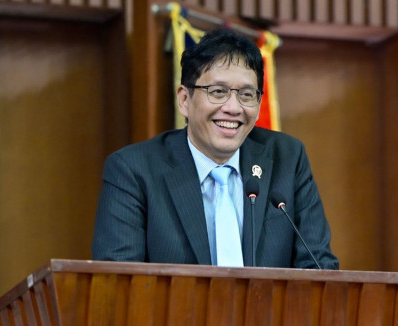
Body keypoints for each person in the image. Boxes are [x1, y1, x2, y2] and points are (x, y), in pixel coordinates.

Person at [91, 28, 339, 269]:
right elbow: (119, 284)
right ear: (185, 100)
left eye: (246, 94)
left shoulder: (287, 158)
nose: (233, 107)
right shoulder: (133, 170)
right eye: (218, 92)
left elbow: (319, 268)